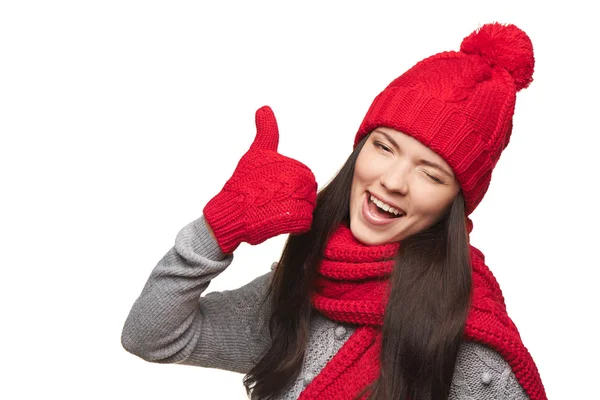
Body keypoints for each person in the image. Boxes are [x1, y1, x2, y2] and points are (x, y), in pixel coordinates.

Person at [122, 22, 547, 400]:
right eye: (384, 147)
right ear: (359, 151)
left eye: (430, 174)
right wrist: (218, 229)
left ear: (453, 205)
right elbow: (151, 336)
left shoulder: (471, 350)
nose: (394, 181)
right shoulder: (304, 283)